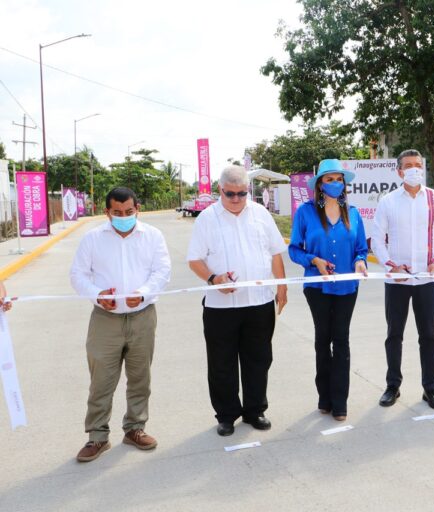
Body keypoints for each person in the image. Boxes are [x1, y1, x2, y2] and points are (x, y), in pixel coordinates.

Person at [70, 187, 171, 462]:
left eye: (129, 212)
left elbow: (162, 271)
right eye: (117, 213)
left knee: (140, 377)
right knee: (101, 380)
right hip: (105, 320)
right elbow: (78, 275)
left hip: (143, 315)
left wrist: (144, 292)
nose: (124, 217)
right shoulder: (92, 239)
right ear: (107, 212)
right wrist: (97, 295)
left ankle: (135, 428)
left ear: (137, 208)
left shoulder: (152, 236)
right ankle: (97, 437)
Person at [187, 165, 288, 436]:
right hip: (221, 308)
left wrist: (282, 287)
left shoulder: (261, 214)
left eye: (242, 193)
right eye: (230, 194)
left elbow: (276, 252)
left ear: (248, 190)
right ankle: (227, 414)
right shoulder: (207, 218)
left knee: (259, 359)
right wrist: (213, 279)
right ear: (220, 190)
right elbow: (194, 259)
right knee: (222, 363)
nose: (236, 199)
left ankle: (255, 410)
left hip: (258, 303)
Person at [370, 149, 434, 409]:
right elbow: (377, 240)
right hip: (398, 281)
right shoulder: (389, 201)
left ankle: (430, 388)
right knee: (394, 334)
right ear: (399, 171)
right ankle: (392, 386)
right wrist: (390, 265)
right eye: (409, 165)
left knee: (428, 335)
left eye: (418, 165)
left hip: (427, 280)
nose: (415, 169)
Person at [289, 159, 368, 421]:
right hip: (317, 287)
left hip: (347, 287)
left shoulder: (353, 213)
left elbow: (361, 249)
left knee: (341, 340)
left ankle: (340, 401)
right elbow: (294, 249)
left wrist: (360, 261)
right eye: (329, 179)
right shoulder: (306, 212)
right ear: (320, 185)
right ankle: (324, 397)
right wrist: (314, 261)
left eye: (338, 179)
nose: (335, 184)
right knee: (323, 340)